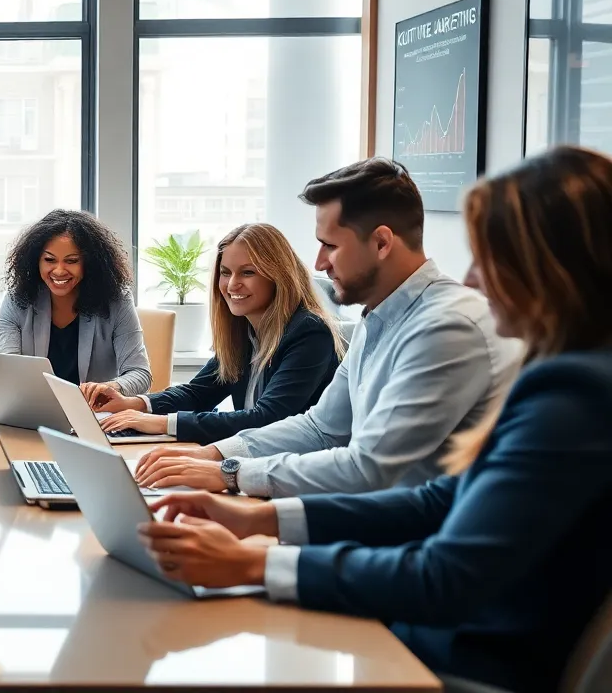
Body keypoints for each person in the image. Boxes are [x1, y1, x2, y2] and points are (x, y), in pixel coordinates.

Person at [136, 145, 612, 693]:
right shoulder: (556, 371)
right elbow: (436, 494)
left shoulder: (570, 393)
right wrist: (254, 518)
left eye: (487, 258)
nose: (474, 281)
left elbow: (442, 571)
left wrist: (253, 563)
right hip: (437, 611)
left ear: (548, 267)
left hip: (467, 653)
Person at [134, 158, 520, 497]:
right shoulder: (377, 318)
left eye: (330, 246)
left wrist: (230, 473)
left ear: (382, 242)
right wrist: (212, 454)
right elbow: (321, 427)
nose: (318, 263)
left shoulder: (445, 327)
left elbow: (369, 468)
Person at [91, 223, 344, 443]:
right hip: (258, 459)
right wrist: (134, 404)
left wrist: (161, 423)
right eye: (225, 273)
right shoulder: (245, 332)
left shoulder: (309, 333)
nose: (232, 284)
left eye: (248, 272)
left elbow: (267, 419)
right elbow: (198, 393)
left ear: (278, 276)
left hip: (299, 474)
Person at [0, 209, 152, 398]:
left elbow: (140, 374)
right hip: (33, 415)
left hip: (94, 417)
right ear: (35, 261)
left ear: (90, 262)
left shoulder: (117, 301)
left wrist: (112, 387)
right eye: (49, 260)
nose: (59, 270)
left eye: (72, 261)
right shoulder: (16, 300)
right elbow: (5, 370)